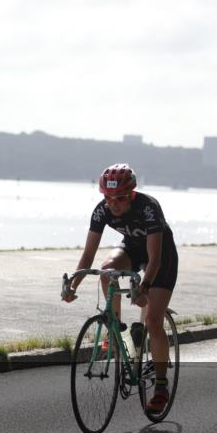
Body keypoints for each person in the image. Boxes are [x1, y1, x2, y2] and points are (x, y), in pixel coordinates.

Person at [62, 163, 178, 414]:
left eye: (120, 199)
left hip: (161, 257)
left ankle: (160, 386)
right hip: (133, 249)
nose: (113, 204)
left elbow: (154, 259)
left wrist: (144, 287)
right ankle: (117, 332)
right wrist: (73, 285)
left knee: (154, 321)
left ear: (132, 194)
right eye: (108, 198)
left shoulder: (148, 207)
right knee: (107, 270)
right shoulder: (101, 211)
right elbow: (88, 255)